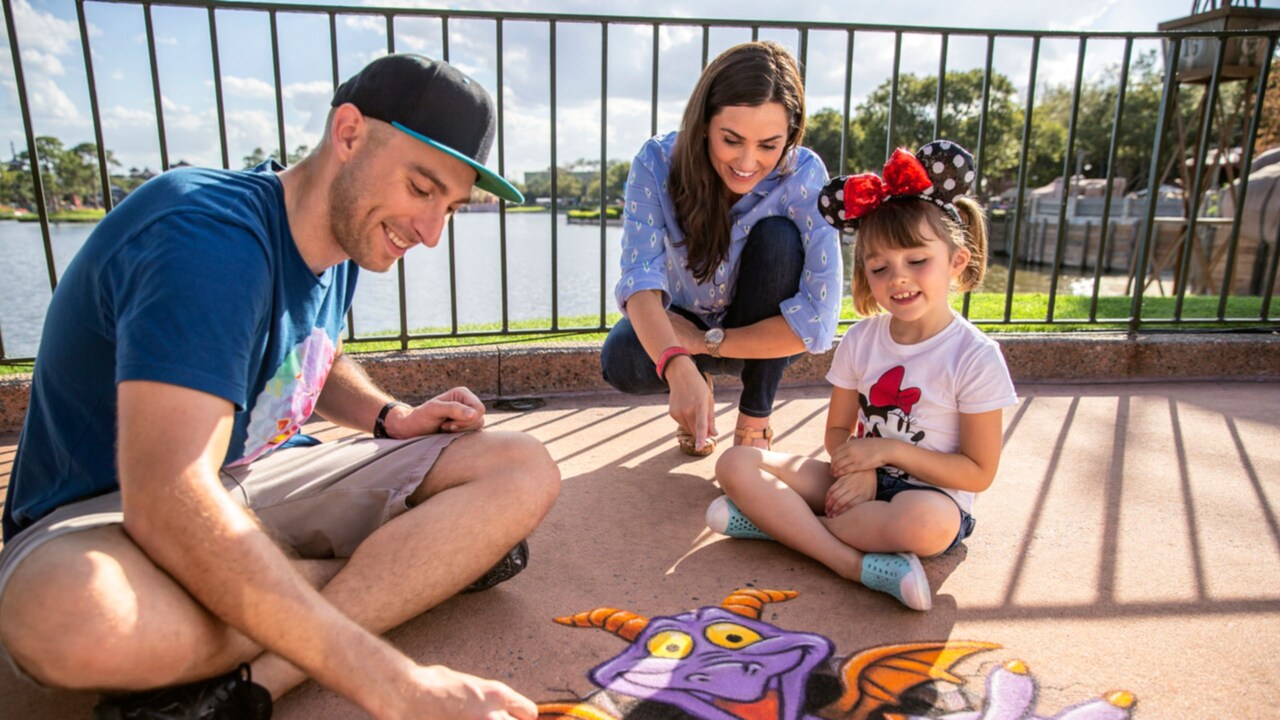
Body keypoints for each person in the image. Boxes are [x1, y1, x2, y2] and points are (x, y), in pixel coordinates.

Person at [0, 54, 560, 719]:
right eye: (420, 186)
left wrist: (389, 416)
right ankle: (407, 576)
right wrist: (394, 682)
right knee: (68, 621)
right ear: (348, 133)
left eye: (451, 206)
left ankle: (266, 676)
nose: (431, 232)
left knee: (521, 464)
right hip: (107, 512)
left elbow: (311, 354)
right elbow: (168, 499)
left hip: (260, 478)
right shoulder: (206, 236)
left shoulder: (346, 234)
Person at [707, 141, 1018, 611]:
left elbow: (978, 472)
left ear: (957, 261)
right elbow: (837, 431)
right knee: (736, 463)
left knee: (928, 526)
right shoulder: (861, 341)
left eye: (917, 261)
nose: (899, 278)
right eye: (880, 267)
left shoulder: (974, 356)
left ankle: (779, 526)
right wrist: (862, 468)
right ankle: (850, 562)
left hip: (928, 499)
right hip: (853, 481)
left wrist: (888, 452)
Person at [600, 41, 842, 457]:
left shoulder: (804, 173)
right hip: (681, 321)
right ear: (705, 123)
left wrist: (701, 343)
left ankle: (755, 419)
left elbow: (818, 322)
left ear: (790, 135)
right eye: (732, 140)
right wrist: (677, 362)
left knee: (779, 240)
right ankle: (698, 383)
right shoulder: (657, 161)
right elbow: (639, 277)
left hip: (756, 332)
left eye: (769, 145)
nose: (748, 162)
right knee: (620, 359)